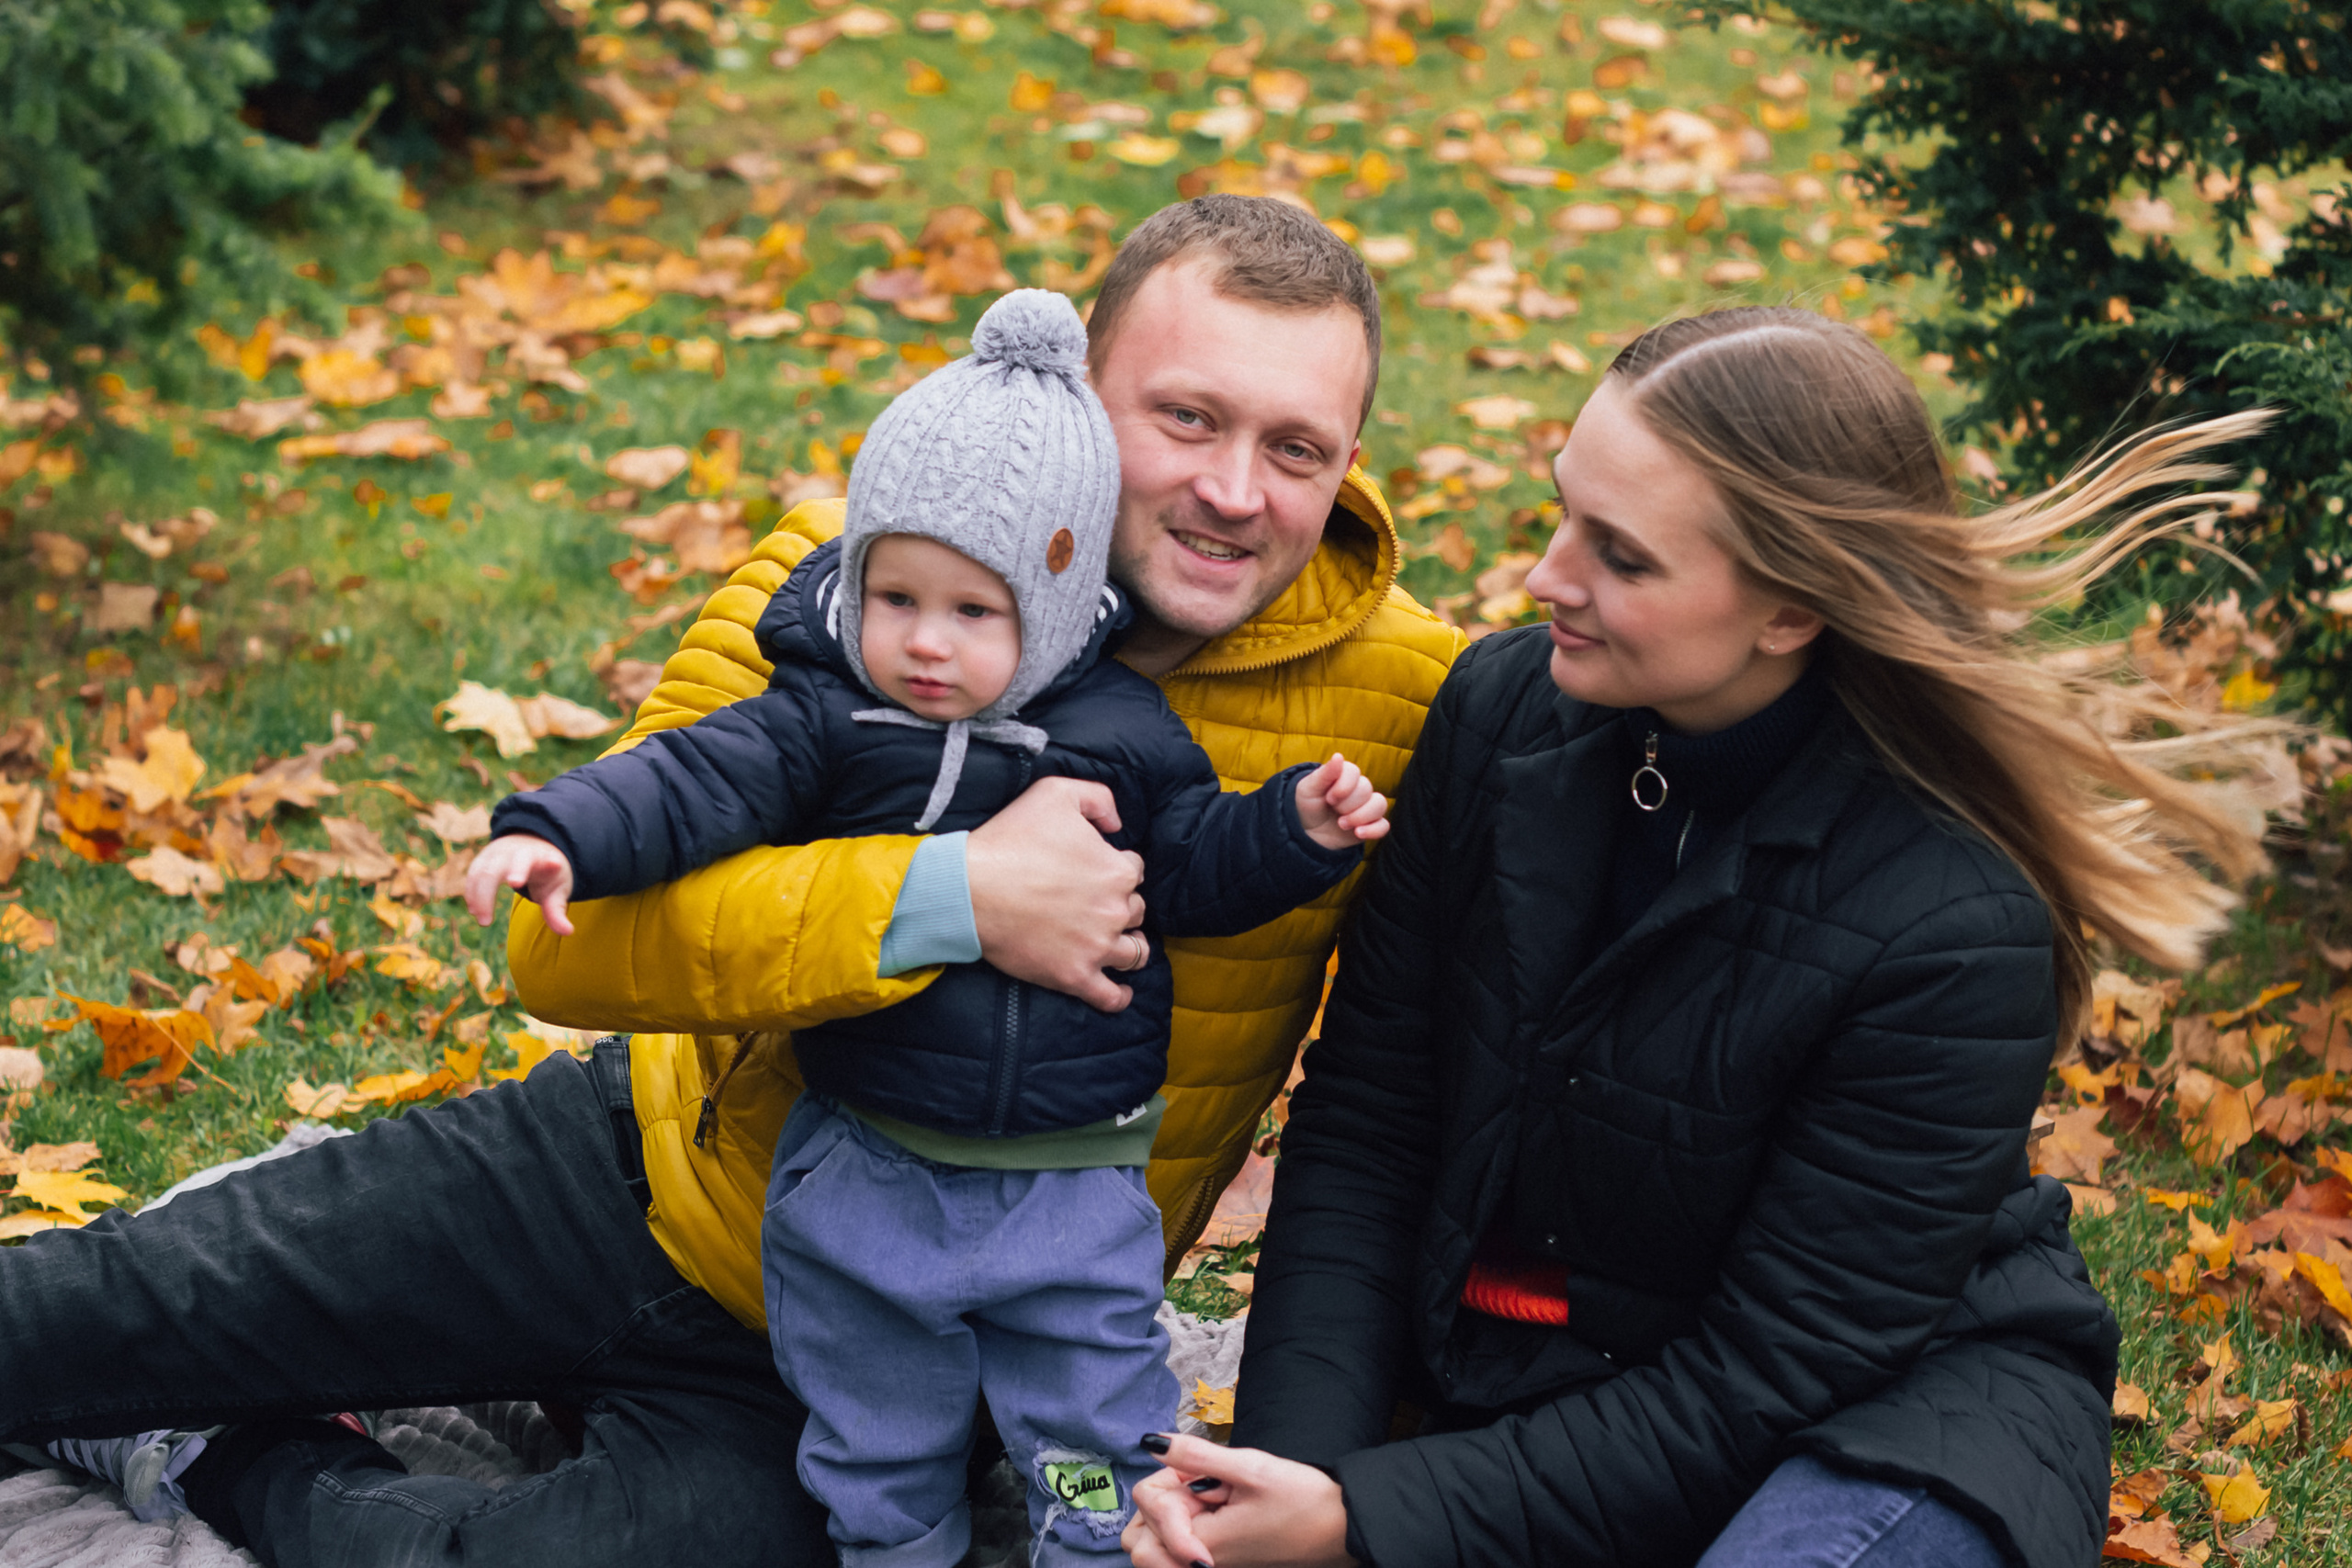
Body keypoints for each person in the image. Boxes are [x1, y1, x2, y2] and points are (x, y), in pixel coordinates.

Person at [0, 195, 1462, 1568]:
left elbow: (1395, 1105)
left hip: (871, 1338)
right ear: (1080, 396)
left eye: (1297, 448)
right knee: (80, 1314)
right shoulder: (845, 595)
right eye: (1188, 417)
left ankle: (226, 1460)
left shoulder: (1413, 700)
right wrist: (945, 897)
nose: (1232, 491)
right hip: (632, 1173)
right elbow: (565, 958)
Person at [1122, 308, 2278, 1568]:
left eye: (1620, 555)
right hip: (1539, 1394)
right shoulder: (1503, 712)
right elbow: (1369, 1123)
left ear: (1787, 610)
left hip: (1873, 1434)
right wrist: (1293, 1481)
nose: (1546, 577)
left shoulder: (1955, 918)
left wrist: (1362, 1525)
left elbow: (1771, 1373)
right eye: (1565, 511)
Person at [467, 288, 1388, 1568]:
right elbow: (688, 781)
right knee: (873, 1437)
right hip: (864, 1176)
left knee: (1088, 1440)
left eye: (974, 612)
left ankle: (1080, 1540)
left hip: (1070, 1192)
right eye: (895, 599)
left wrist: (1295, 824)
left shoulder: (1122, 735)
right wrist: (552, 827)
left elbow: (1192, 863)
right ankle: (899, 1547)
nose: (925, 646)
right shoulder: (829, 714)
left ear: (1057, 610)